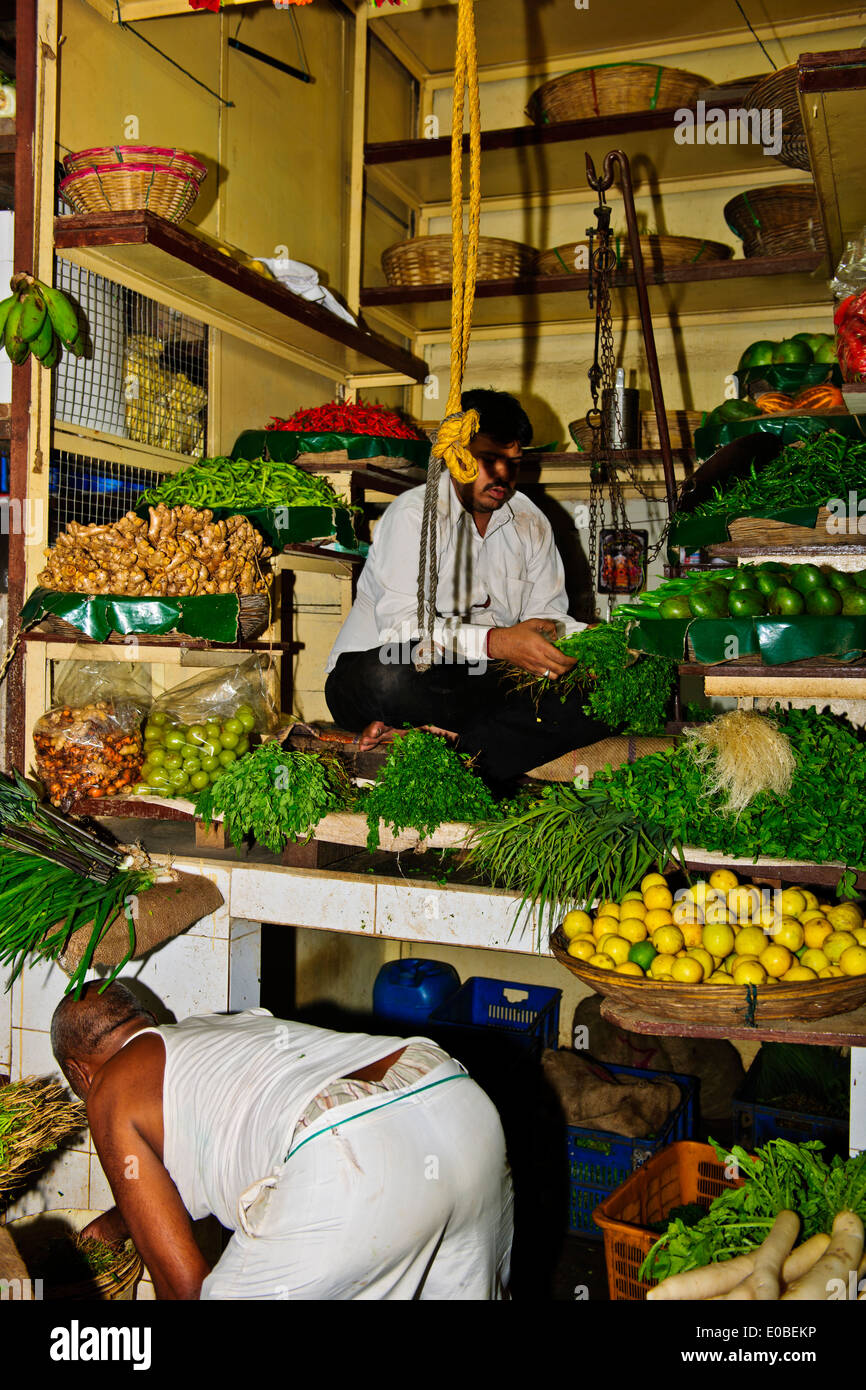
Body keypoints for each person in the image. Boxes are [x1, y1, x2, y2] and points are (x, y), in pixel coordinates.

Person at [50, 981, 513, 1301]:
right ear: (147, 1020)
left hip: (348, 1151)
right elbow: (180, 1169)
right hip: (454, 1099)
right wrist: (114, 1225)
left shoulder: (107, 1091)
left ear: (77, 1071)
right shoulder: (220, 1025)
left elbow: (184, 1287)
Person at [324, 388, 610, 791]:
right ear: (456, 454)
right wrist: (499, 643)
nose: (503, 476)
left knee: (602, 697)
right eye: (489, 459)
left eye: (514, 462)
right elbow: (401, 630)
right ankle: (478, 746)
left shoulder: (530, 521)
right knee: (392, 675)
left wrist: (587, 643)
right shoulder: (414, 514)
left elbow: (550, 617)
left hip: (474, 685)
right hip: (386, 676)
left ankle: (460, 754)